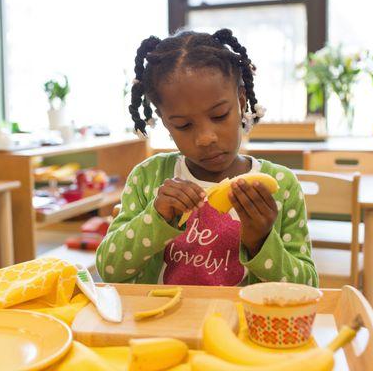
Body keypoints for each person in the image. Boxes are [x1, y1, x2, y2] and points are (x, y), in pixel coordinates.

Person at [96, 29, 317, 287]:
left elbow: (307, 288)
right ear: (166, 123)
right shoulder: (149, 177)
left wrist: (261, 242)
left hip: (241, 326)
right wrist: (155, 217)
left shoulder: (280, 184)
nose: (205, 138)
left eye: (220, 115)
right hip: (160, 324)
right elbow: (109, 270)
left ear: (241, 101)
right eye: (183, 125)